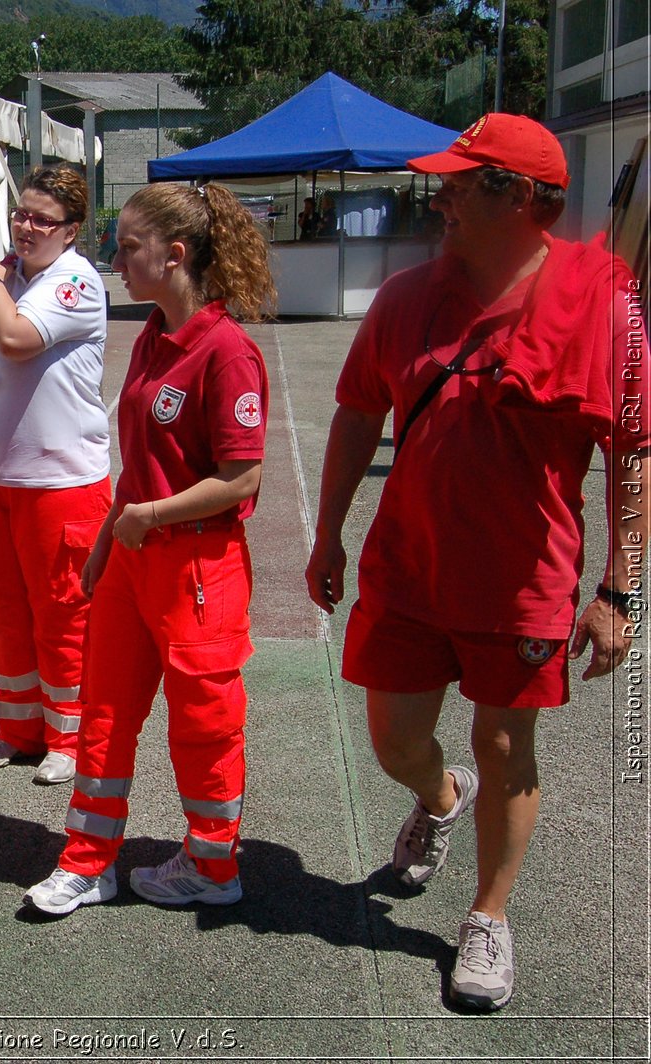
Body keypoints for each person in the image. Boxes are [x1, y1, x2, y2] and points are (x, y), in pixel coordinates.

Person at [304, 113, 647, 1011]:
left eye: (464, 179)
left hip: (524, 579)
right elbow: (355, 412)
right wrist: (327, 529)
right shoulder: (406, 299)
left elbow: (634, 451)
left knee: (506, 744)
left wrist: (621, 587)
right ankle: (439, 795)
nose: (441, 193)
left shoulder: (608, 304)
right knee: (394, 742)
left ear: (523, 197)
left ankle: (489, 915)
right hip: (409, 568)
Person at [24, 181, 275, 916]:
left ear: (175, 255)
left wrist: (151, 516)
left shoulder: (227, 351)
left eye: (128, 247)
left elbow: (241, 476)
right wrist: (107, 547)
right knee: (105, 713)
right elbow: (133, 467)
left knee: (204, 725)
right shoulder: (152, 338)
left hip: (199, 567)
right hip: (136, 560)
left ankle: (212, 865)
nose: (115, 259)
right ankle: (87, 861)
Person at [0, 164, 111, 786]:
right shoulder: (6, 276)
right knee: (3, 603)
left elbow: (13, 337)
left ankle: (71, 732)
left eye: (44, 219)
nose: (27, 227)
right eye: (21, 214)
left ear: (71, 231)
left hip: (60, 482)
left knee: (64, 609)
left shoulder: (75, 281)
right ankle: (19, 726)